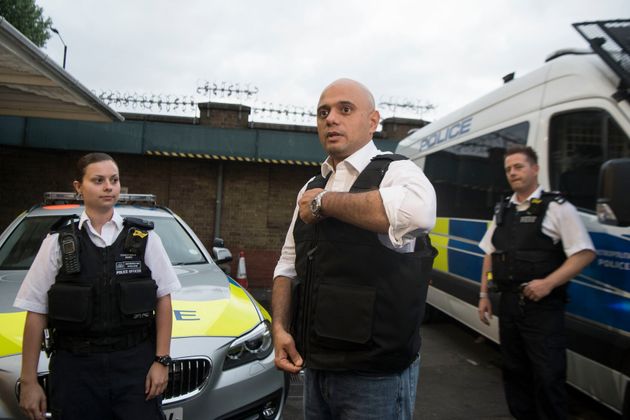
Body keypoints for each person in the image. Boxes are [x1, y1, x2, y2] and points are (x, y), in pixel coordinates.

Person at [271, 78, 437, 419]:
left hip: (375, 377)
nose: (331, 118)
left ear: (373, 121)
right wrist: (280, 329)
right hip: (315, 368)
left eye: (345, 109)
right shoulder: (311, 184)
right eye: (323, 112)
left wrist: (325, 204)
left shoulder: (397, 172)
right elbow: (288, 265)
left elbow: (420, 214)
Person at [15, 152, 181, 420]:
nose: (108, 187)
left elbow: (164, 300)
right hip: (76, 371)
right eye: (98, 180)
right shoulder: (57, 242)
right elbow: (35, 312)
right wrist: (29, 381)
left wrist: (161, 361)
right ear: (78, 187)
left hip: (134, 367)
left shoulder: (144, 238)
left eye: (114, 180)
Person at [477, 145, 595, 420]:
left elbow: (584, 253)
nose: (513, 173)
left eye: (518, 167)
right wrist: (483, 295)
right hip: (508, 305)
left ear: (535, 169)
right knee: (515, 373)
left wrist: (548, 283)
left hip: (542, 308)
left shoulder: (557, 208)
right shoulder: (503, 209)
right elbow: (490, 253)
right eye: (508, 169)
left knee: (547, 376)